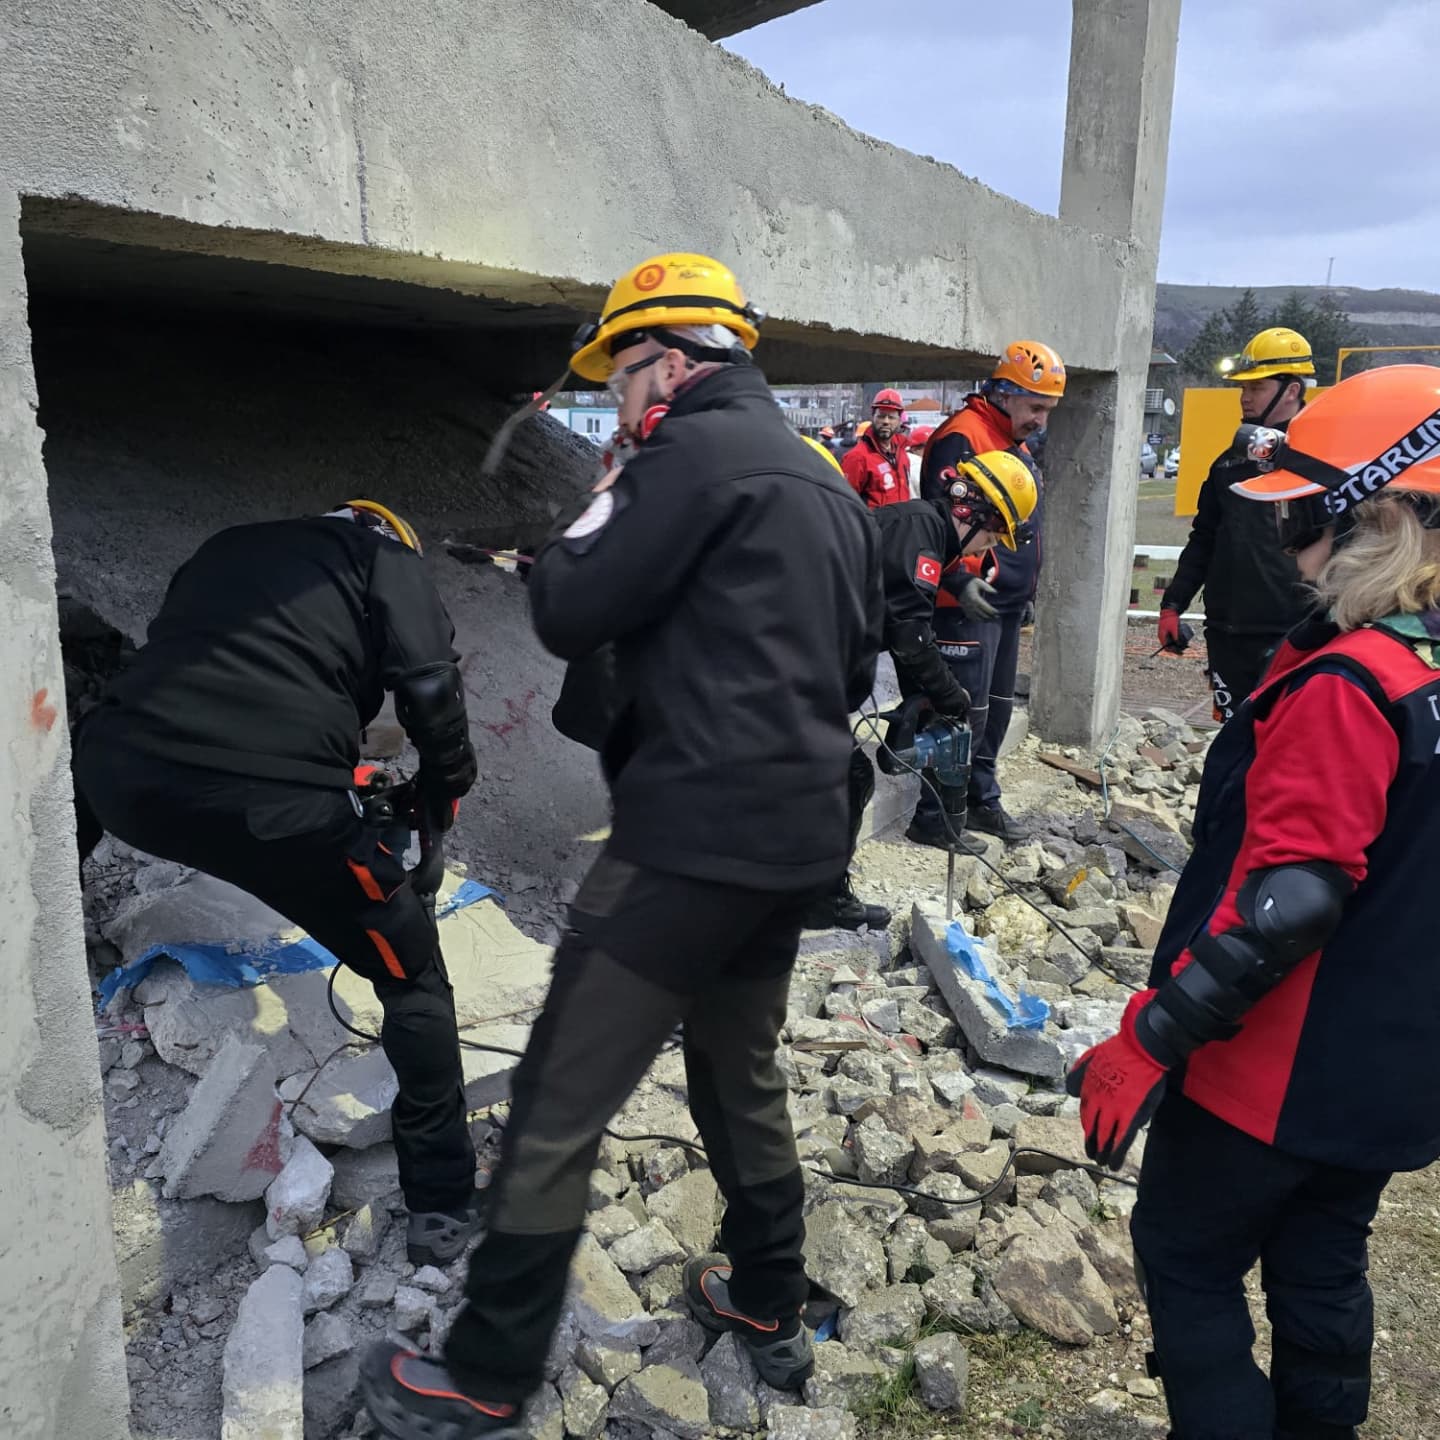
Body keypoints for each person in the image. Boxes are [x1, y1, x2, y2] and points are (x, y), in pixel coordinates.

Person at [361, 253, 882, 1439]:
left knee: (557, 1100)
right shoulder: (822, 481)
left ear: (674, 358)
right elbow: (849, 669)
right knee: (738, 1070)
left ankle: (488, 1373)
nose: (622, 395)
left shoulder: (681, 455)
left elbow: (566, 607)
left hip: (689, 841)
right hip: (801, 842)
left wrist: (608, 493)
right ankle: (766, 1302)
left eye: (626, 370)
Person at [1066, 363, 1440, 1440]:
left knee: (1186, 1261)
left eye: (1301, 522)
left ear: (1379, 518)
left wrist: (1151, 1036)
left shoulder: (1355, 684)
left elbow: (1290, 903)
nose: (1289, 549)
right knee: (1322, 1267)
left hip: (1275, 1071)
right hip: (1396, 1065)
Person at [73, 502, 481, 1266]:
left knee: (96, 763)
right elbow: (430, 687)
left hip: (122, 779)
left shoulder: (228, 544)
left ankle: (44, 931)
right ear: (389, 534)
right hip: (278, 809)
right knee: (415, 980)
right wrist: (441, 798)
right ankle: (442, 1200)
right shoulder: (386, 559)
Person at [917, 341, 1064, 843]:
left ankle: (980, 800)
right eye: (1036, 406)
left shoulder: (1012, 442)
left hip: (1001, 602)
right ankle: (935, 816)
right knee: (960, 712)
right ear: (1003, 392)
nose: (1041, 420)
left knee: (995, 708)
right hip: (964, 603)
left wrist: (1026, 590)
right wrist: (958, 578)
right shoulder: (964, 437)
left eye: (1047, 409)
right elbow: (943, 519)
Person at [866, 450, 1039, 851]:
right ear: (972, 512)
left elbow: (903, 624)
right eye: (991, 538)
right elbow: (910, 636)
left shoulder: (925, 530)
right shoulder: (919, 533)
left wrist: (929, 694)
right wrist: (948, 695)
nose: (983, 553)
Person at [1160, 326, 1315, 720]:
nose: (1245, 397)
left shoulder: (1322, 462)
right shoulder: (1228, 465)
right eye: (1242, 388)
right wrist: (1172, 604)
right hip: (1228, 632)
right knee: (1235, 738)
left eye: (1257, 387)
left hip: (1294, 632)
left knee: (1284, 740)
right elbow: (1205, 538)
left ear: (1292, 390)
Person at [842, 388, 910, 507]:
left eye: (891, 417)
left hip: (902, 524)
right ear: (873, 417)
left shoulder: (902, 452)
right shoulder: (857, 457)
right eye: (881, 416)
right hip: (874, 525)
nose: (886, 422)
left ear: (899, 421)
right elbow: (845, 504)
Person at [905, 423, 934, 497]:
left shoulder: (902, 459)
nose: (933, 450)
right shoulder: (918, 465)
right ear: (915, 449)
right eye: (928, 446)